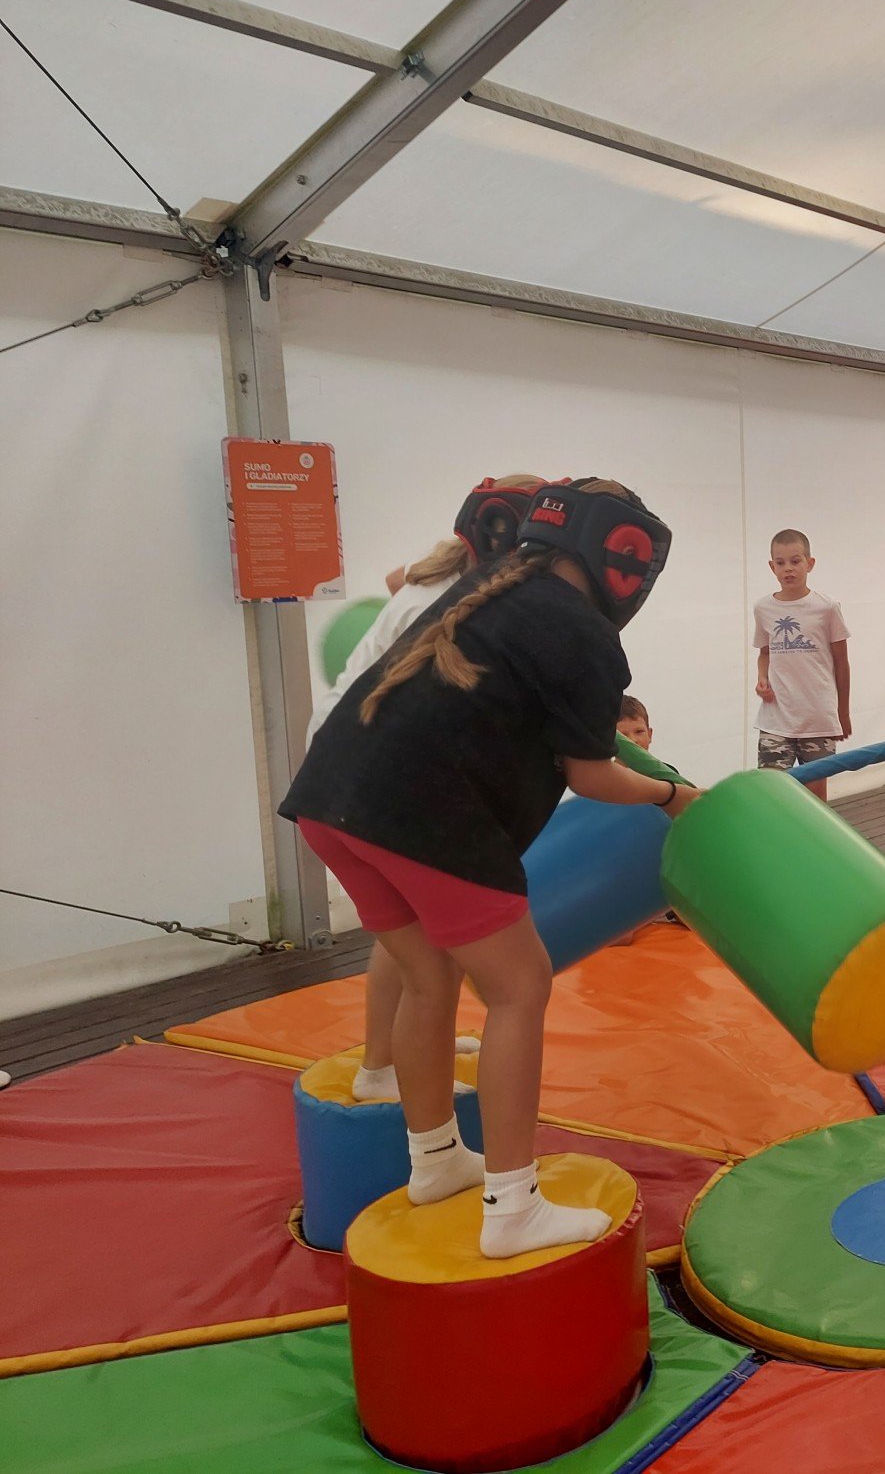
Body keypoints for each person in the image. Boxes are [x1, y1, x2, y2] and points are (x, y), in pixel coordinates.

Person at [281, 478, 699, 1258]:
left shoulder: (488, 586)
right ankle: (513, 1207)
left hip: (329, 801)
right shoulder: (580, 629)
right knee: (519, 986)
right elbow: (591, 775)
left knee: (428, 976)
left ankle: (435, 1160)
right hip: (423, 814)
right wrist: (675, 795)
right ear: (623, 558)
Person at [308, 474, 544, 1103]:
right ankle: (392, 1071)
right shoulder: (463, 599)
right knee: (430, 952)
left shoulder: (438, 574)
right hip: (370, 769)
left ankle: (393, 1056)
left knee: (414, 940)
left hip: (338, 763)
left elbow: (396, 580)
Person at [754, 529, 852, 801]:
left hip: (818, 718)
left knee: (815, 800)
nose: (788, 568)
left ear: (810, 563)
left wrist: (843, 713)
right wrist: (762, 678)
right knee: (773, 796)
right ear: (772, 567)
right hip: (776, 719)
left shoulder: (827, 607)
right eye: (781, 562)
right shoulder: (763, 608)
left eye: (795, 561)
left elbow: (841, 662)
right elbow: (765, 652)